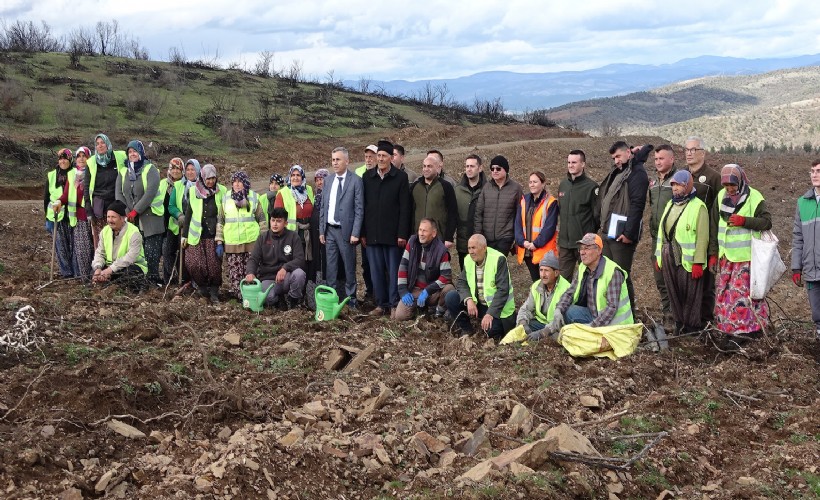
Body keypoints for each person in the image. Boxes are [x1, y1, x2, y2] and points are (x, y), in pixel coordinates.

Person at [708, 164, 772, 346]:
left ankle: (747, 333)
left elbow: (767, 222)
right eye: (726, 185)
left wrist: (745, 221)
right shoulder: (721, 197)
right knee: (725, 295)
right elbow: (714, 227)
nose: (729, 189)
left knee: (742, 298)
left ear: (741, 181)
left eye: (732, 185)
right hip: (726, 257)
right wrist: (713, 254)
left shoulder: (754, 197)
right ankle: (729, 330)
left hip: (746, 258)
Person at [598, 141, 653, 312]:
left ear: (628, 153)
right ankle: (611, 312)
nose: (616, 161)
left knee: (621, 276)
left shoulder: (637, 174)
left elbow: (637, 205)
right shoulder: (622, 172)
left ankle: (629, 316)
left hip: (622, 235)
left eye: (618, 156)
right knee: (608, 275)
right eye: (613, 158)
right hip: (608, 232)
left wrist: (629, 233)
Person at [361, 140, 411, 316]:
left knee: (393, 271)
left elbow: (405, 208)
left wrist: (402, 233)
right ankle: (380, 304)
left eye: (384, 156)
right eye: (379, 156)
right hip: (372, 234)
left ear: (391, 158)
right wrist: (363, 233)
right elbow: (363, 207)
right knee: (376, 272)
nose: (380, 159)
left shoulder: (400, 178)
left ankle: (392, 304)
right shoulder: (367, 178)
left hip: (392, 235)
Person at [655, 170, 709, 333]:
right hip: (669, 256)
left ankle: (692, 328)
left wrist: (698, 262)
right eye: (673, 185)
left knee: (690, 296)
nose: (675, 188)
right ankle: (679, 324)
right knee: (674, 292)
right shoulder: (670, 204)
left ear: (687, 186)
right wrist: (658, 257)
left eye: (679, 185)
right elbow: (661, 232)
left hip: (688, 261)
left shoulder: (698, 207)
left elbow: (702, 237)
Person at [444, 234, 515, 340]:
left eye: (474, 248)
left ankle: (495, 325)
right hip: (478, 304)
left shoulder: (498, 259)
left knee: (490, 331)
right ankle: (467, 329)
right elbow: (462, 282)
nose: (471, 252)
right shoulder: (468, 259)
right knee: (451, 297)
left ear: (484, 248)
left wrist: (490, 314)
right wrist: (468, 299)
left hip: (498, 309)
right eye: (469, 248)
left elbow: (502, 291)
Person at [554, 233, 633, 327]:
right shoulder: (583, 267)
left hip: (616, 325)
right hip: (594, 315)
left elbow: (612, 308)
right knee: (567, 311)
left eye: (587, 248)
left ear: (599, 250)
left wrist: (592, 326)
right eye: (581, 248)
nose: (582, 252)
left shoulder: (612, 272)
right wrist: (558, 309)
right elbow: (570, 292)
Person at [684, 136, 723, 325]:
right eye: (687, 150)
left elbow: (717, 213)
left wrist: (714, 248)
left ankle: (706, 321)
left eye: (694, 149)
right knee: (685, 282)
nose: (689, 153)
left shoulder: (714, 178)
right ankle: (688, 320)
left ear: (703, 153)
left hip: (704, 240)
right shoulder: (681, 175)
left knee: (706, 285)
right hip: (684, 241)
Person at [319, 147, 364, 308]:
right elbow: (324, 207)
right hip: (329, 230)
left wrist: (356, 232)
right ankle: (331, 299)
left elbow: (359, 209)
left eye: (338, 160)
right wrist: (321, 230)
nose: (335, 163)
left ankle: (351, 299)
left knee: (349, 266)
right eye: (333, 160)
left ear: (347, 161)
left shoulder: (355, 181)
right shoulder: (328, 181)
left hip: (346, 232)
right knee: (331, 267)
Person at [116, 140, 164, 286]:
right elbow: (119, 194)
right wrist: (127, 212)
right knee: (137, 252)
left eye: (135, 151)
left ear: (141, 153)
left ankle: (153, 281)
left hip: (150, 219)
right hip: (131, 219)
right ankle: (140, 281)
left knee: (152, 253)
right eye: (130, 152)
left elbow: (149, 193)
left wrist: (135, 211)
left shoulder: (151, 170)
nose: (132, 154)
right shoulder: (124, 171)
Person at [181, 164, 227, 303]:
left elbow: (224, 213)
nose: (211, 181)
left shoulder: (222, 191)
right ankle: (202, 288)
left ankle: (214, 291)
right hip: (196, 235)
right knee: (194, 264)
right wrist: (185, 235)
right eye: (208, 179)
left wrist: (222, 239)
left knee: (214, 266)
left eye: (213, 178)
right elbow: (188, 215)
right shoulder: (193, 191)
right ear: (202, 178)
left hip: (213, 236)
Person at [217, 171, 267, 299]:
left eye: (240, 181)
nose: (237, 184)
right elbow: (220, 221)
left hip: (251, 242)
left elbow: (262, 220)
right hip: (232, 243)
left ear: (245, 183)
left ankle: (251, 296)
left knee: (250, 271)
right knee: (235, 273)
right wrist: (219, 241)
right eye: (235, 181)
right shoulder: (226, 198)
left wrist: (265, 239)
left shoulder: (254, 197)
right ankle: (239, 297)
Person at [245, 207, 307, 309]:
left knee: (299, 274)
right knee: (269, 299)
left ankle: (293, 301)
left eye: (279, 221)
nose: (275, 224)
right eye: (273, 220)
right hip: (268, 278)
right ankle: (279, 300)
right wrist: (250, 272)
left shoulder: (293, 236)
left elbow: (300, 259)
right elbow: (254, 258)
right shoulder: (262, 238)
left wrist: (285, 268)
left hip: (286, 277)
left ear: (286, 223)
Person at [394, 218, 455, 320]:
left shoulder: (441, 250)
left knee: (449, 289)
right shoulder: (412, 242)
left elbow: (446, 276)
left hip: (432, 292)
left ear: (433, 233)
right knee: (400, 316)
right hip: (415, 289)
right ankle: (420, 309)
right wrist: (403, 291)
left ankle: (439, 311)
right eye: (420, 230)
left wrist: (428, 290)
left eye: (425, 231)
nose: (421, 234)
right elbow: (403, 266)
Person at [647, 145, 679, 327]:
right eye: (656, 159)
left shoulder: (678, 179)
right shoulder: (653, 181)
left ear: (672, 159)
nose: (658, 162)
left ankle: (677, 315)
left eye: (661, 159)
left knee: (673, 278)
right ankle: (667, 314)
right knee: (659, 279)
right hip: (655, 238)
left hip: (673, 239)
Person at [52, 146, 94, 282]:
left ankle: (91, 276)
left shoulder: (93, 172)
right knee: (81, 250)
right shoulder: (72, 174)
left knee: (91, 248)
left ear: (89, 158)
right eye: (79, 156)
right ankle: (83, 277)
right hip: (77, 217)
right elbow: (66, 194)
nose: (81, 159)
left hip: (91, 216)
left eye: (84, 156)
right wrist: (59, 201)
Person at [557, 150, 599, 281]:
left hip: (584, 244)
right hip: (565, 244)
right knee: (563, 281)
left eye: (574, 162)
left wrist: (588, 237)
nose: (570, 165)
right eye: (569, 162)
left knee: (587, 279)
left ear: (583, 164)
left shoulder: (591, 187)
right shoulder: (563, 185)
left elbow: (597, 216)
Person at [791, 159, 820, 341]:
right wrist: (796, 267)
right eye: (812, 171)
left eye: (818, 171)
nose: (815, 175)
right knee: (817, 313)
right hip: (811, 268)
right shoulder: (802, 203)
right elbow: (798, 237)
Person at [91, 200, 147, 293]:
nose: (109, 220)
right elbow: (100, 253)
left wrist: (110, 270)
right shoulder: (105, 231)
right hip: (111, 267)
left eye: (113, 217)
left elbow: (129, 258)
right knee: (93, 272)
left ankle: (116, 288)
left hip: (130, 266)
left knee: (130, 274)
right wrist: (98, 269)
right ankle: (106, 286)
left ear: (122, 218)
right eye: (108, 217)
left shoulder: (134, 233)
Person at [516, 252, 570, 341]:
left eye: (546, 270)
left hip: (557, 326)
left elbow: (561, 319)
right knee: (521, 325)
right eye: (541, 270)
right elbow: (525, 309)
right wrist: (523, 324)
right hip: (541, 323)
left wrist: (542, 333)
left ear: (556, 273)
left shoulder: (566, 288)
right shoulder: (536, 286)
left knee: (561, 335)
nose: (543, 275)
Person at [514, 170, 559, 281]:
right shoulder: (524, 200)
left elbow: (549, 228)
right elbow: (518, 225)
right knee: (536, 282)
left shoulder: (551, 202)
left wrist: (535, 244)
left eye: (535, 182)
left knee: (547, 283)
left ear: (543, 184)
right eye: (530, 182)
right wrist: (523, 242)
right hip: (527, 251)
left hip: (543, 252)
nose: (532, 184)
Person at [474, 155, 523, 254]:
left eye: (498, 168)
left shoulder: (516, 188)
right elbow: (479, 213)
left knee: (498, 264)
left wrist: (517, 238)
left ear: (505, 170)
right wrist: (478, 235)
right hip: (486, 237)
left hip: (505, 237)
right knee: (488, 266)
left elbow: (520, 215)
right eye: (492, 168)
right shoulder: (486, 188)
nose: (495, 171)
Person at [410, 152, 458, 248]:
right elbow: (409, 211)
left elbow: (453, 212)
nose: (426, 169)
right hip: (418, 236)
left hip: (438, 237)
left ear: (437, 168)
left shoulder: (446, 186)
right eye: (424, 166)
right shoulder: (415, 186)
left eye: (429, 166)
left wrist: (449, 237)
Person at [275, 165, 315, 278]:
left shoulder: (309, 190)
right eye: (293, 175)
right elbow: (277, 217)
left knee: (307, 261)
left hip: (308, 232)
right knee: (293, 261)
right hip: (291, 234)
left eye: (298, 175)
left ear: (302, 177)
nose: (295, 178)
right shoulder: (282, 193)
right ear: (289, 177)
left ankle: (306, 288)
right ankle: (293, 289)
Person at [84, 134, 127, 240]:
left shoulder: (120, 157)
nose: (100, 146)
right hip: (99, 208)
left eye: (103, 142)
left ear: (108, 144)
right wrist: (88, 208)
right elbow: (86, 187)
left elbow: (133, 161)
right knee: (101, 241)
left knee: (118, 240)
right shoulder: (91, 162)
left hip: (116, 205)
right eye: (97, 144)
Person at [168, 158, 200, 284]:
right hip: (183, 226)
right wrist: (179, 215)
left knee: (196, 255)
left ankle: (197, 280)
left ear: (197, 170)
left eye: (193, 170)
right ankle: (185, 280)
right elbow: (171, 206)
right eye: (187, 170)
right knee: (183, 254)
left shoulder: (202, 187)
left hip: (197, 227)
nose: (190, 172)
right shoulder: (178, 185)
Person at [45, 148, 75, 278]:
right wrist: (47, 216)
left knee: (72, 245)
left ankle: (75, 271)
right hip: (56, 216)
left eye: (65, 158)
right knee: (60, 246)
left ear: (70, 159)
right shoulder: (52, 175)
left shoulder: (75, 173)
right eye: (60, 158)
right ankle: (66, 272)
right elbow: (46, 198)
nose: (63, 161)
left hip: (71, 215)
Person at [455, 154, 486, 269]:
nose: (469, 169)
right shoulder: (458, 190)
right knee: (465, 274)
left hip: (481, 242)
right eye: (467, 166)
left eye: (472, 166)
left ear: (480, 168)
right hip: (463, 243)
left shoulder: (487, 190)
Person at [160, 158, 184, 284]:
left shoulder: (185, 184)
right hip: (165, 224)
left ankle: (182, 278)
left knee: (180, 253)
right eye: (173, 168)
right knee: (167, 252)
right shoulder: (163, 183)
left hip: (179, 223)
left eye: (178, 168)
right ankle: (169, 279)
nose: (175, 171)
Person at [310, 168, 330, 281]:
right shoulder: (315, 195)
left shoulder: (330, 195)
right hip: (315, 231)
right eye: (317, 180)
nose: (319, 182)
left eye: (321, 179)